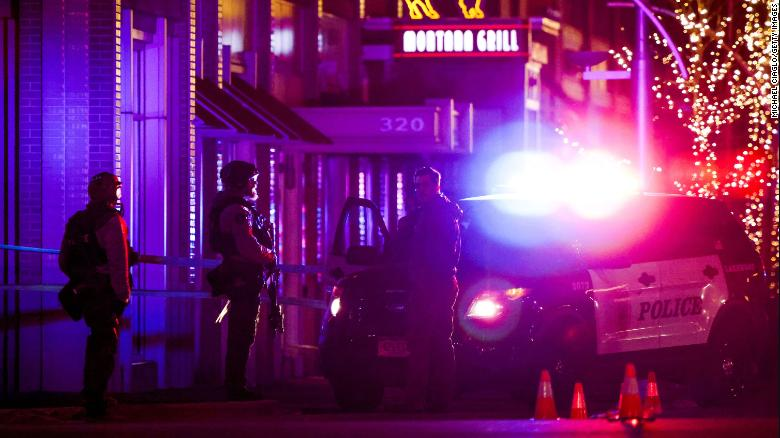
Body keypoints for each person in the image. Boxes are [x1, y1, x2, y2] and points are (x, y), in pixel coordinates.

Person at [59, 172, 131, 418]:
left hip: (85, 291)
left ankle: (92, 394)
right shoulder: (111, 221)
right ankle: (96, 400)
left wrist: (82, 279)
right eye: (117, 188)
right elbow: (118, 262)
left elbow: (64, 261)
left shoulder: (77, 221)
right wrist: (122, 296)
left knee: (96, 341)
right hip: (106, 292)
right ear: (111, 192)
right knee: (105, 344)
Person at [207, 160, 276, 400]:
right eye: (252, 180)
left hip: (239, 275)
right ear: (240, 182)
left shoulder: (233, 207)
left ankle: (235, 383)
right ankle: (235, 385)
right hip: (243, 277)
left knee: (241, 331)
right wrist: (269, 255)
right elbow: (248, 247)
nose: (255, 185)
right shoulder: (238, 211)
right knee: (242, 332)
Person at [400, 166, 462, 412]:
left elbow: (435, 253)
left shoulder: (438, 213)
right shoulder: (436, 211)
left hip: (433, 283)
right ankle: (437, 398)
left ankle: (420, 399)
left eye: (424, 185)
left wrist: (424, 278)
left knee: (424, 340)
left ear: (437, 185)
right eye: (417, 185)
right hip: (436, 282)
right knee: (436, 341)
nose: (420, 190)